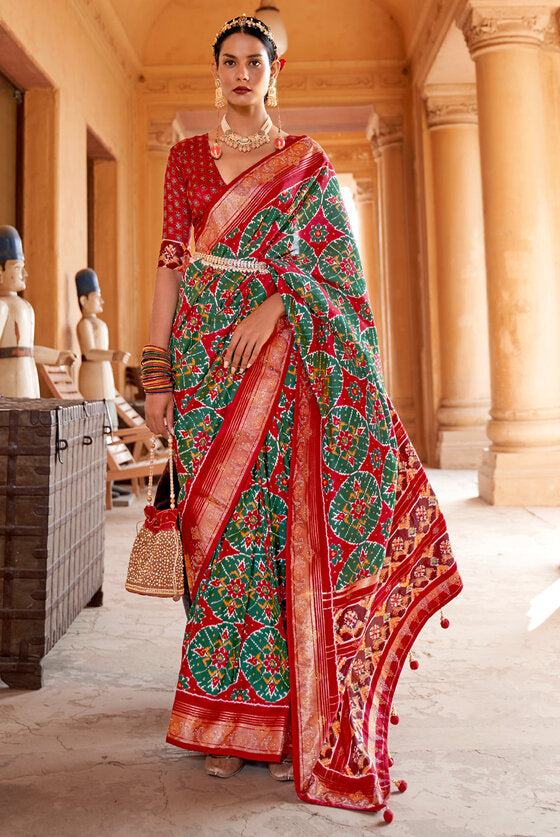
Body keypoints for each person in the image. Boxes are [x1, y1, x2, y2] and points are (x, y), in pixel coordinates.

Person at [141, 14, 462, 820]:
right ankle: (223, 723)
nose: (241, 72)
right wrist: (157, 369)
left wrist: (279, 302)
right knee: (216, 539)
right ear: (215, 72)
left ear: (274, 72)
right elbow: (171, 264)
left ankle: (286, 724)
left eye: (254, 61)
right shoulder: (185, 158)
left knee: (276, 533)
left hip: (282, 364)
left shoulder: (309, 165)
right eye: (229, 61)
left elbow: (339, 273)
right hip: (207, 365)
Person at [75, 267, 130, 430]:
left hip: (105, 377)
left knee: (109, 423)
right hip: (91, 378)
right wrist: (113, 355)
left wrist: (111, 356)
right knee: (95, 424)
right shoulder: (84, 324)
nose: (101, 301)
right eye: (97, 297)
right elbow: (89, 352)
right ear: (84, 301)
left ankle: (111, 449)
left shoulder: (100, 324)